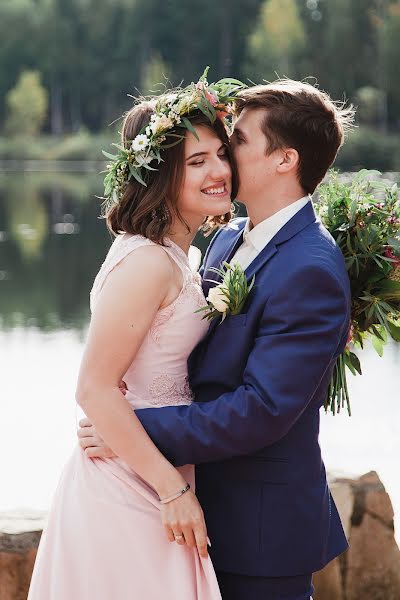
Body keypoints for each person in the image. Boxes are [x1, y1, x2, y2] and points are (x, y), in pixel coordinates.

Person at [79, 79, 355, 600]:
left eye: (239, 142)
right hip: (186, 503)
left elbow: (261, 410)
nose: (225, 156)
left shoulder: (311, 268)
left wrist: (134, 427)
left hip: (259, 528)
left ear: (285, 160)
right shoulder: (226, 237)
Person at [28, 73, 243, 600]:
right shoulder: (147, 262)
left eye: (221, 154)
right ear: (159, 174)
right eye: (197, 162)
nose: (219, 171)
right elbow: (94, 390)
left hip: (155, 465)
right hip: (131, 487)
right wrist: (172, 491)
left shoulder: (180, 255)